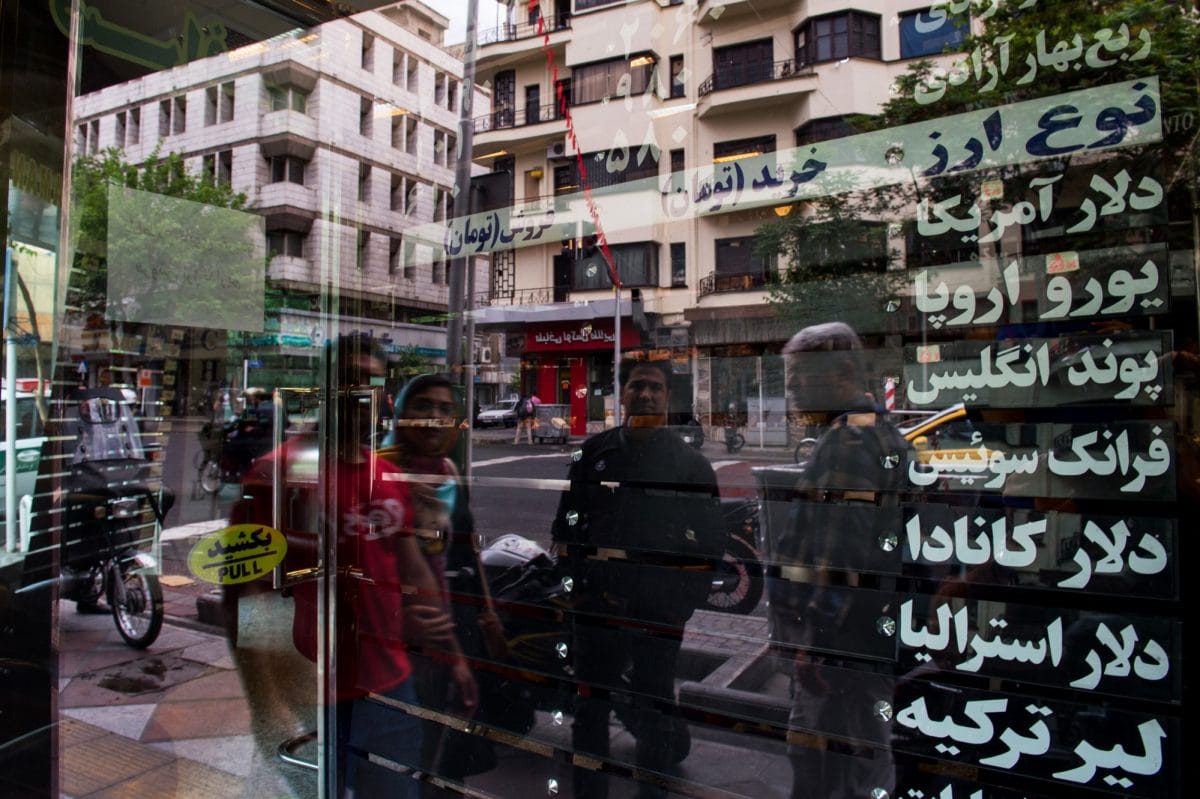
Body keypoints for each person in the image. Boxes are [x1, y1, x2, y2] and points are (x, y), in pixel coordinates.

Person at [233, 335, 475, 798]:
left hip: (389, 687)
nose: (357, 393)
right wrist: (268, 705)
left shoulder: (384, 477)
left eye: (368, 382)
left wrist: (454, 657)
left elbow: (414, 570)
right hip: (311, 693)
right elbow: (250, 599)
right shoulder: (277, 474)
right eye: (347, 380)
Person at [552, 358, 726, 799]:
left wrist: (678, 606)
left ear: (668, 397)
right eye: (637, 386)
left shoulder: (690, 465)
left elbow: (709, 544)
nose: (645, 394)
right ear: (622, 393)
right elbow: (566, 527)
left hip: (657, 617)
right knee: (590, 713)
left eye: (655, 388)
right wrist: (576, 593)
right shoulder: (594, 453)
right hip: (597, 610)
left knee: (654, 713)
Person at [772, 322, 911, 799]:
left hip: (841, 643)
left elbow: (841, 551)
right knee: (863, 760)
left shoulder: (848, 440)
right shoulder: (885, 433)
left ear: (843, 373)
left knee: (822, 761)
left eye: (800, 376)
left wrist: (815, 640)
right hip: (869, 634)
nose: (790, 388)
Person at [377, 374, 497, 795]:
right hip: (410, 624)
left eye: (445, 409)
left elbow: (468, 545)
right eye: (423, 406)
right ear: (402, 413)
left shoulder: (448, 469)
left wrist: (487, 611)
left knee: (454, 728)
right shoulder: (382, 473)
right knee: (416, 729)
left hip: (458, 615)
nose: (434, 417)